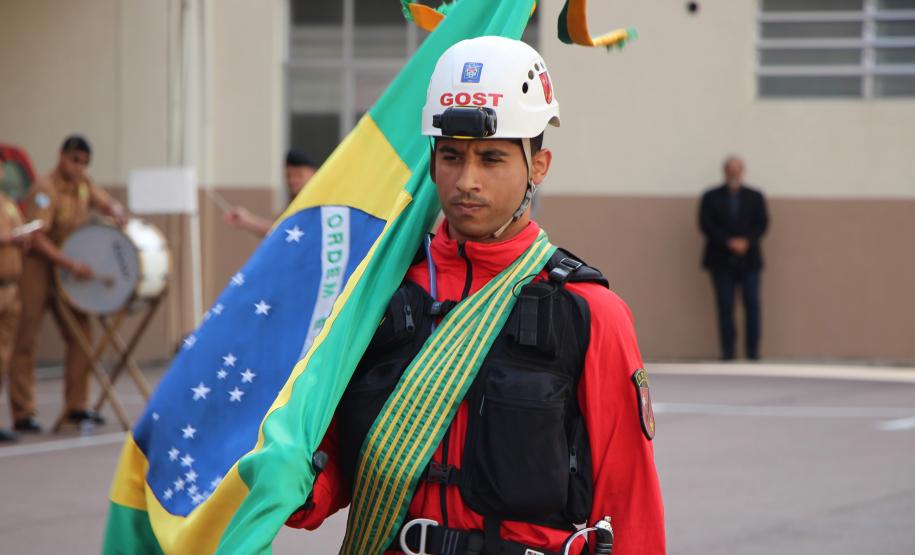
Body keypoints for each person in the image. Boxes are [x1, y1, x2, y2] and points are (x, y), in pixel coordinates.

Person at [285, 37, 665, 554]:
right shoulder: (378, 291)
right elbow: (327, 456)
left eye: (491, 159)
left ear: (539, 165)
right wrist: (285, 482)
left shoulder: (589, 313)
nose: (467, 181)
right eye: (451, 156)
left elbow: (629, 499)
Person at [9, 135, 127, 433]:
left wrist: (114, 208)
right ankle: (23, 411)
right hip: (40, 265)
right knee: (26, 336)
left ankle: (76, 406)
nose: (79, 167)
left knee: (81, 334)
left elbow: (103, 201)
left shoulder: (83, 185)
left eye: (84, 163)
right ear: (62, 157)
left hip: (70, 269)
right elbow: (37, 237)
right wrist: (70, 264)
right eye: (74, 160)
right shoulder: (45, 189)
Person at [699, 155, 769, 361]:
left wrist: (746, 241)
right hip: (721, 260)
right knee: (725, 305)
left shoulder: (755, 196)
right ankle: (728, 352)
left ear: (742, 172)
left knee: (752, 304)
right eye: (730, 169)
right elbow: (706, 224)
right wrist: (727, 241)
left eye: (737, 169)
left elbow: (762, 223)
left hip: (749, 261)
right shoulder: (711, 197)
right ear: (725, 172)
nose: (733, 173)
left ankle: (753, 352)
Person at [0, 155, 40, 442]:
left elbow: (16, 233)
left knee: (4, 356)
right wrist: (10, 237)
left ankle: (17, 414)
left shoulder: (8, 203)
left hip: (10, 286)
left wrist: (24, 238)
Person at [223, 149, 317, 237]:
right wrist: (246, 221)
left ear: (313, 174)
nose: (293, 180)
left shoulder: (316, 204)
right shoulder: (293, 203)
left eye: (299, 175)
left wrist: (248, 221)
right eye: (289, 176)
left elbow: (285, 231)